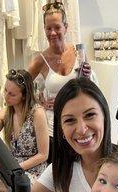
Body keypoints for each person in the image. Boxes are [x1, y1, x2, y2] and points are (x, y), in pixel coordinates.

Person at [28, 1, 93, 136]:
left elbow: (88, 88)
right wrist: (39, 101)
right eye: (48, 28)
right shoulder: (40, 60)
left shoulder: (78, 53)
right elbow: (21, 86)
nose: (52, 33)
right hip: (53, 127)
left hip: (79, 125)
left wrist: (89, 74)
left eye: (57, 27)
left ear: (66, 27)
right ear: (44, 29)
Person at [0, 69, 49, 192]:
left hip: (34, 172)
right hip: (13, 171)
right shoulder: (6, 114)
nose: (6, 97)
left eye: (12, 94)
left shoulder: (37, 114)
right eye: (5, 90)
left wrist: (14, 169)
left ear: (24, 96)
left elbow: (43, 155)